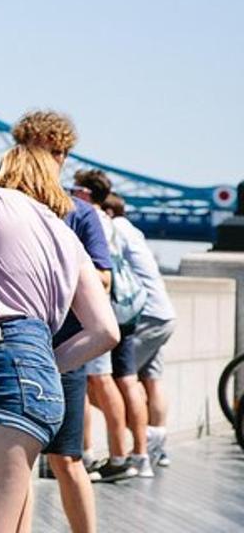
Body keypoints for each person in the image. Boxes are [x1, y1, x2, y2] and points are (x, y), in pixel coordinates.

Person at [0, 145, 119, 533]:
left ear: (6, 169)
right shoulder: (64, 233)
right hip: (40, 376)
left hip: (4, 367)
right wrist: (41, 364)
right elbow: (106, 331)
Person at [10, 110, 115, 532]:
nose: (50, 159)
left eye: (55, 151)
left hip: (66, 351)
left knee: (67, 458)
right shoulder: (6, 203)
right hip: (17, 348)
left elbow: (103, 277)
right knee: (19, 460)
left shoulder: (80, 213)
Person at [72, 168, 148, 480]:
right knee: (122, 380)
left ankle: (105, 456)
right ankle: (135, 455)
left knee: (100, 381)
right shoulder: (111, 221)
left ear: (86, 193)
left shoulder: (90, 219)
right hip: (123, 311)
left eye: (73, 188)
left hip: (98, 312)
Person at [103, 192, 178, 468]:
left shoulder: (113, 229)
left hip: (142, 315)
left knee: (121, 380)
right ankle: (158, 447)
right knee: (152, 381)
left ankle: (138, 448)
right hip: (164, 312)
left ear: (108, 211)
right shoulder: (134, 230)